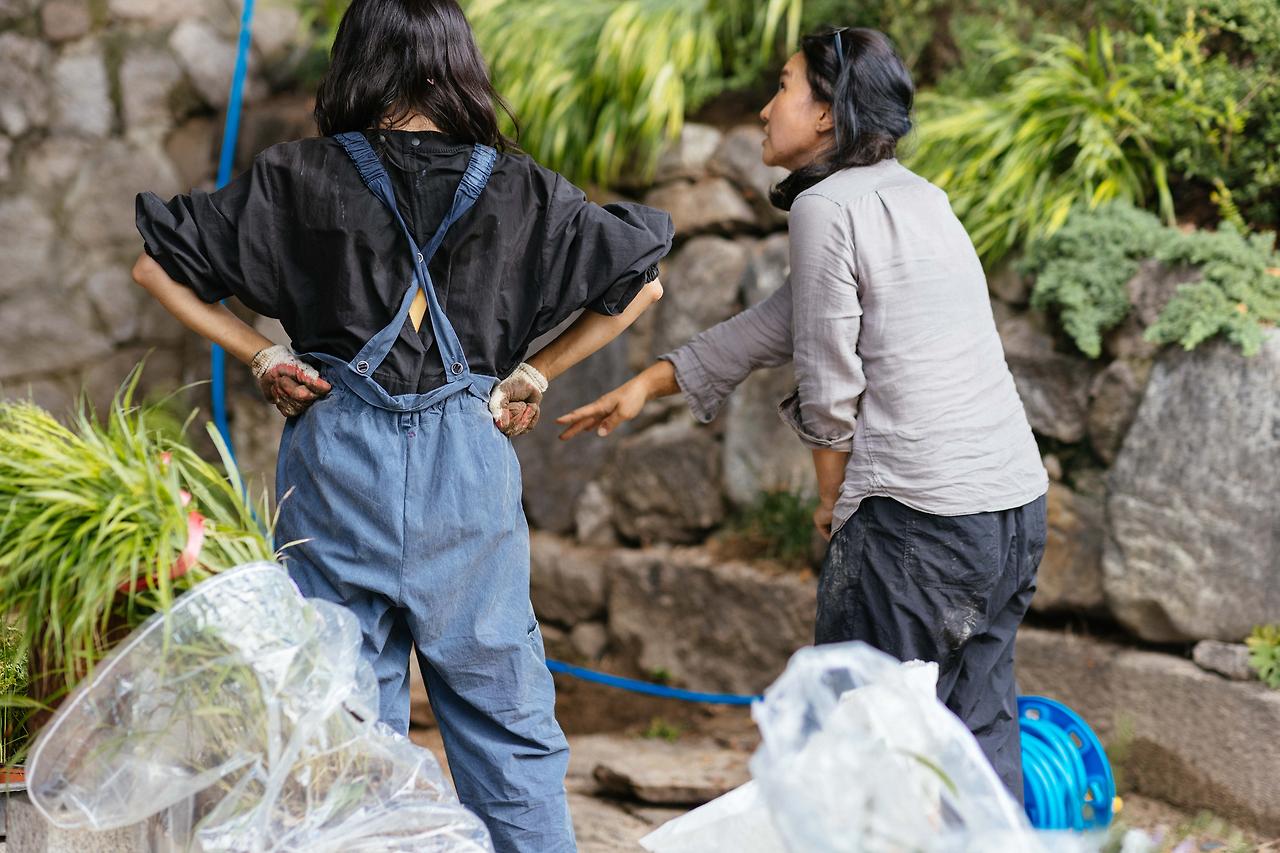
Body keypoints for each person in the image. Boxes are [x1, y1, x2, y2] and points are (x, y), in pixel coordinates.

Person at [130, 1, 672, 849]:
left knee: (342, 730)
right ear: (453, 64)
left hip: (337, 467)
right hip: (471, 464)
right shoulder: (520, 185)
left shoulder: (295, 177)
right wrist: (535, 371)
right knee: (508, 728)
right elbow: (643, 280)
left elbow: (153, 262)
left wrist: (263, 355)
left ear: (358, 61)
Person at [555, 27, 1047, 800]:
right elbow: (783, 318)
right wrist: (650, 382)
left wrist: (831, 497)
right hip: (1011, 511)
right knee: (975, 738)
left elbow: (827, 380)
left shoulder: (826, 208)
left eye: (783, 86)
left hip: (921, 521)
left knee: (863, 747)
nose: (763, 106)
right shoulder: (917, 196)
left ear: (827, 114)